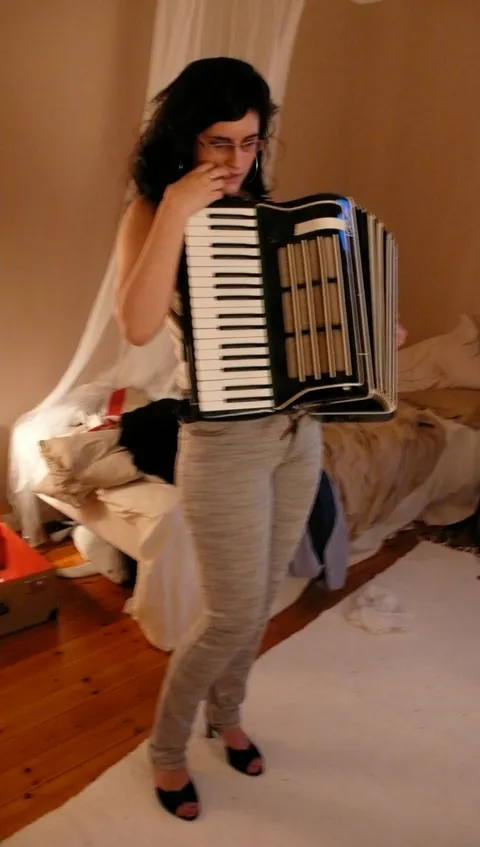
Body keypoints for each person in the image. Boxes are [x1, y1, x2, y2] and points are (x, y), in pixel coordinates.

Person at [114, 57, 322, 821]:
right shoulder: (150, 211)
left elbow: (294, 339)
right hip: (223, 441)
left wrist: (367, 342)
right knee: (231, 613)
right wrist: (172, 208)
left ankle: (226, 714)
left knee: (261, 598)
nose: (237, 161)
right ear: (184, 138)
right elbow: (136, 323)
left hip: (299, 434)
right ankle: (167, 749)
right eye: (218, 142)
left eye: (250, 142)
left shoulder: (269, 219)